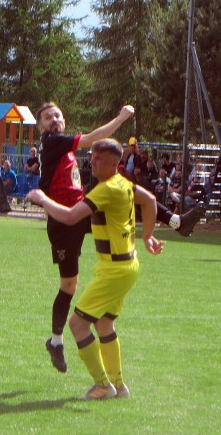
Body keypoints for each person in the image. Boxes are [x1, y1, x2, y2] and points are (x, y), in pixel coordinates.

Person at [35, 102, 206, 375]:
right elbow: (92, 139)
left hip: (79, 212)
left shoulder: (61, 145)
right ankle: (55, 341)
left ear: (64, 119)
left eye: (56, 115)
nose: (53, 119)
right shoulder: (53, 141)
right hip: (64, 221)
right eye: (47, 117)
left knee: (122, 191)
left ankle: (177, 222)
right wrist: (121, 117)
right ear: (41, 126)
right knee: (69, 285)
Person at [27, 138, 164, 400]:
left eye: (97, 158)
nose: (91, 162)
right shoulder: (122, 184)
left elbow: (68, 216)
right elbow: (149, 200)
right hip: (124, 266)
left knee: (78, 324)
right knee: (104, 323)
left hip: (115, 270)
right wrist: (147, 237)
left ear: (114, 163)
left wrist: (43, 199)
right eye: (91, 156)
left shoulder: (106, 189)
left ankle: (102, 385)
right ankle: (119, 385)